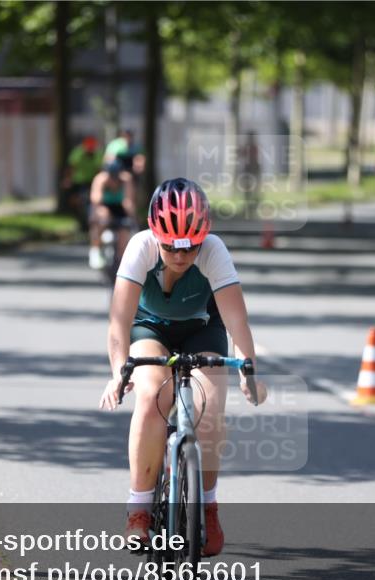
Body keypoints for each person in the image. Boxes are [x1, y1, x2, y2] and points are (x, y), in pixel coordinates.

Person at [99, 178, 266, 557]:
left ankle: (207, 507)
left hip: (202, 328)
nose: (180, 255)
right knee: (152, 395)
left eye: (190, 247)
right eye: (171, 246)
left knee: (209, 406)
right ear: (154, 234)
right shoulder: (140, 247)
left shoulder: (214, 250)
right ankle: (139, 509)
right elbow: (119, 321)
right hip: (150, 327)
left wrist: (248, 372)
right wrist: (118, 371)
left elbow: (237, 321)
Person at [88, 161, 137, 270]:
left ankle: (121, 260)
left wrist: (132, 218)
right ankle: (96, 249)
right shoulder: (100, 180)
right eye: (111, 177)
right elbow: (96, 201)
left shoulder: (126, 180)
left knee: (124, 232)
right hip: (104, 207)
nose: (114, 180)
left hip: (120, 208)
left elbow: (128, 202)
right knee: (102, 216)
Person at [63, 136, 101, 233]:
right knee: (74, 201)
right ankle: (78, 219)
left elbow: (99, 169)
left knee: (92, 201)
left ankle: (90, 222)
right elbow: (71, 167)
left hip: (91, 181)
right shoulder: (77, 153)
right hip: (78, 181)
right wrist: (67, 180)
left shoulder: (97, 154)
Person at [239, 131, 261, 219]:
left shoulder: (253, 147)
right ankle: (248, 210)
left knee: (253, 193)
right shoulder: (248, 147)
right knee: (248, 192)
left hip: (252, 171)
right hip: (248, 171)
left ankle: (251, 210)